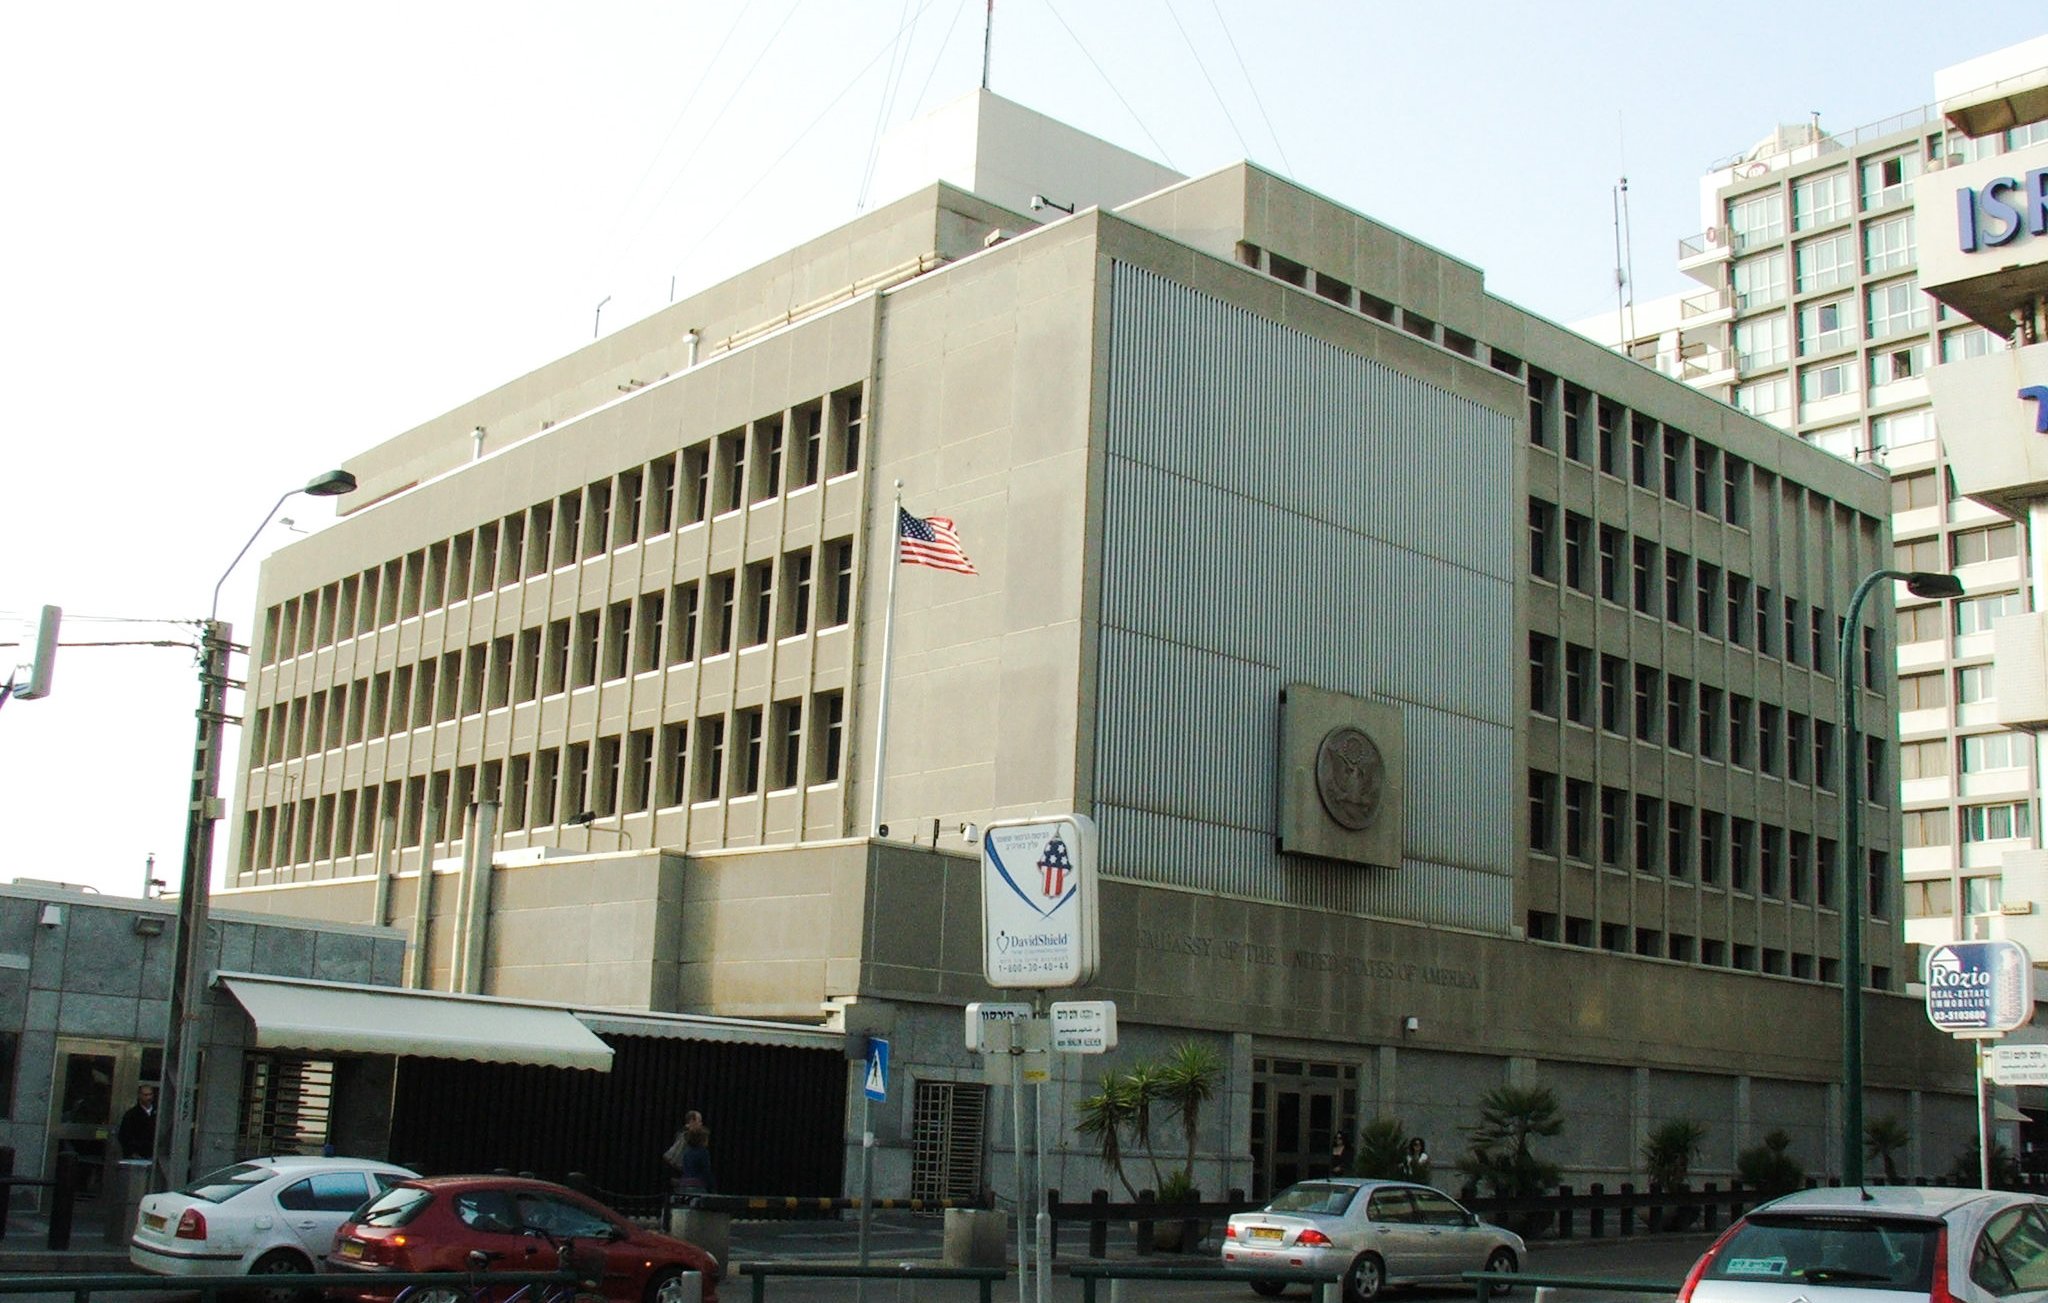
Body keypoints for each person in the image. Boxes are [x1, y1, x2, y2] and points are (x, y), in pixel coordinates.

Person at [117, 1084, 158, 1160]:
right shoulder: (131, 1115)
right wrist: (132, 1153)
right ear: (139, 1095)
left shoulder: (159, 1113)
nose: (148, 1097)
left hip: (155, 1155)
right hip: (137, 1156)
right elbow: (123, 1136)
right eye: (145, 1095)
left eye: (150, 1094)